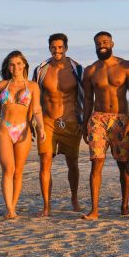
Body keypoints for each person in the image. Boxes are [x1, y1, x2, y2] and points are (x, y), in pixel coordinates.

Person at [81, 32, 129, 220]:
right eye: (98, 43)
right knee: (96, 163)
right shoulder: (90, 70)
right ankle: (94, 210)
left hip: (120, 119)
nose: (101, 45)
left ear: (112, 43)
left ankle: (124, 206)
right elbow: (88, 99)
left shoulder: (126, 66)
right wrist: (85, 123)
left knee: (123, 165)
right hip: (98, 118)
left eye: (105, 42)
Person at [0, 51, 45, 219]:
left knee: (18, 171)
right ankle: (9, 208)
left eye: (18, 63)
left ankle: (14, 206)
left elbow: (38, 110)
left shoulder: (32, 86)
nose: (15, 67)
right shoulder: (1, 85)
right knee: (8, 169)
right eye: (12, 64)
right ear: (8, 67)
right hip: (5, 128)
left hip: (23, 130)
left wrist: (41, 128)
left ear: (24, 64)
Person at [31, 33, 84, 217]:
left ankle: (74, 199)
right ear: (49, 48)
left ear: (66, 48)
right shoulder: (41, 69)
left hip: (70, 121)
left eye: (60, 47)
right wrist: (33, 122)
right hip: (48, 122)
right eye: (54, 47)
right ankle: (46, 206)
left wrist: (83, 121)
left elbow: (85, 96)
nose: (57, 50)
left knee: (73, 163)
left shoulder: (77, 69)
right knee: (45, 162)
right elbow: (35, 97)